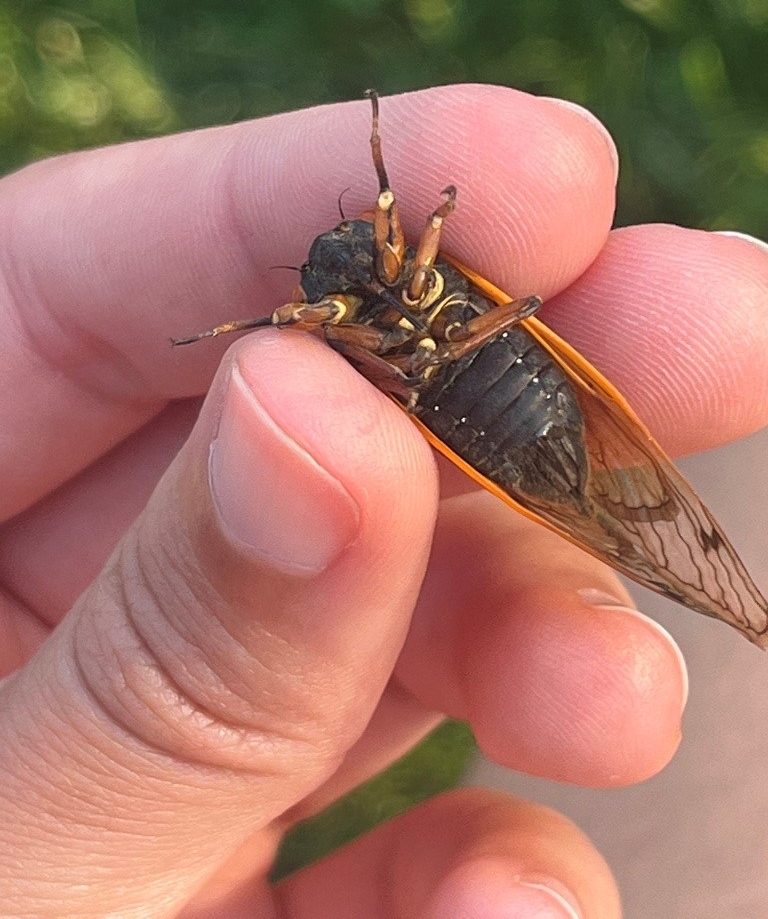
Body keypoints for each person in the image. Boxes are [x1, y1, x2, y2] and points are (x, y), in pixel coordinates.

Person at [0, 85, 765, 918]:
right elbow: (361, 299)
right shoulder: (348, 318)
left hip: (517, 385)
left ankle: (699, 574)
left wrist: (397, 185)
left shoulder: (401, 272)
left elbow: (418, 220)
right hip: (472, 400)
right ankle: (684, 570)